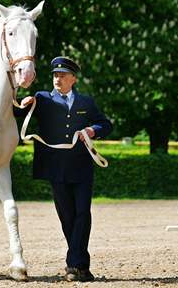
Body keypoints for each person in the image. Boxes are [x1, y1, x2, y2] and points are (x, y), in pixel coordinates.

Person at [14, 56, 113, 282]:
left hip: (82, 167)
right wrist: (22, 100)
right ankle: (81, 267)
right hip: (55, 168)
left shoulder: (86, 102)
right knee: (67, 216)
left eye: (62, 75)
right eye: (55, 75)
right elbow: (16, 113)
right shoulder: (41, 98)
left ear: (73, 79)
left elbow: (106, 124)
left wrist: (92, 130)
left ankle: (73, 265)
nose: (57, 79)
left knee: (82, 214)